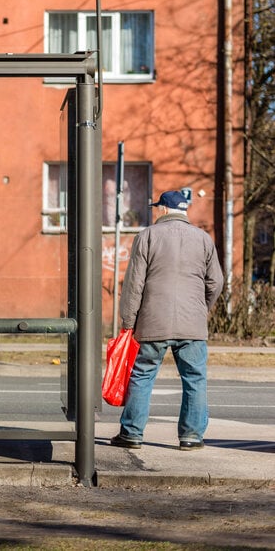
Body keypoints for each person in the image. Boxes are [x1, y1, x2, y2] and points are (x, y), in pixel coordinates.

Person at [111, 190, 223, 451]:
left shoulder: (147, 236)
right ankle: (191, 437)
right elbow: (216, 282)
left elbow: (134, 284)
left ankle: (131, 434)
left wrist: (128, 321)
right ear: (184, 211)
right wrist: (201, 308)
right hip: (192, 324)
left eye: (157, 207)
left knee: (142, 375)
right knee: (195, 379)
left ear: (163, 209)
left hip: (152, 321)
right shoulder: (204, 239)